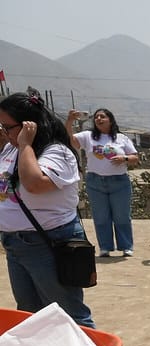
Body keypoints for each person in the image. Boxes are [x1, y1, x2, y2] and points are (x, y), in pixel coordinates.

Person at [0, 90, 94, 327]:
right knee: (30, 315)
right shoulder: (11, 149)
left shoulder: (57, 152)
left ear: (28, 126)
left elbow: (33, 184)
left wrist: (24, 145)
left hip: (48, 242)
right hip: (15, 244)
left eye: (7, 127)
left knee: (68, 315)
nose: (4, 131)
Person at [65, 107, 138, 257]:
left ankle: (126, 246)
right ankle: (105, 247)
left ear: (110, 120)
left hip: (119, 182)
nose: (99, 119)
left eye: (103, 117)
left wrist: (123, 158)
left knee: (122, 216)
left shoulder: (121, 138)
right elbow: (70, 140)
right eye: (97, 117)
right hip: (95, 181)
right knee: (101, 216)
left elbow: (134, 158)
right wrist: (70, 121)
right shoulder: (88, 136)